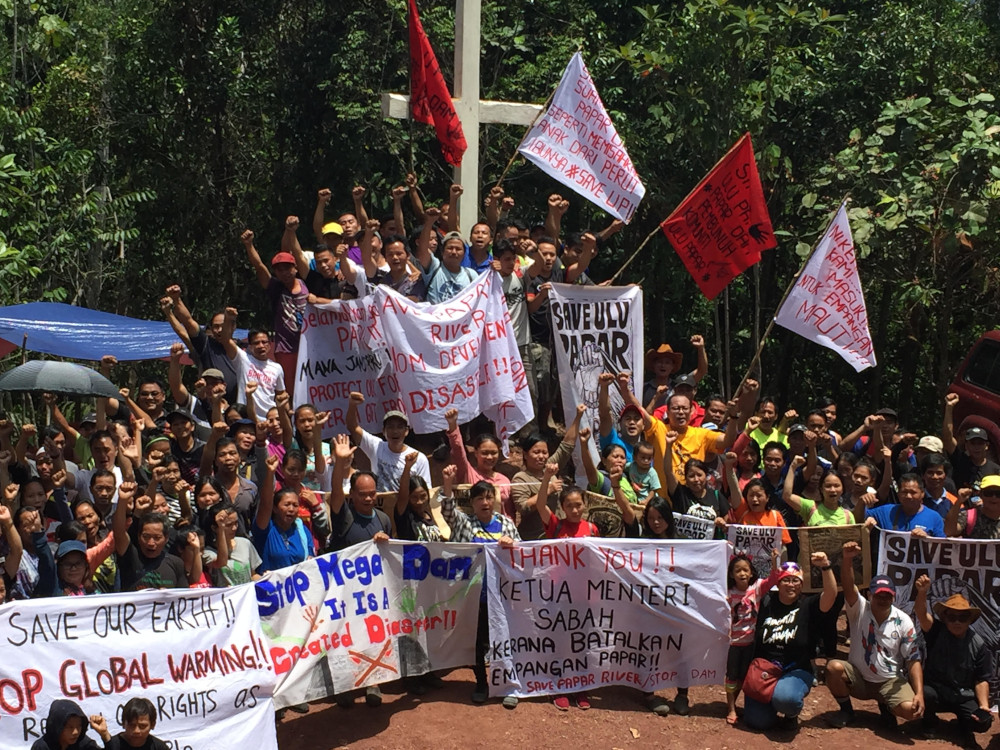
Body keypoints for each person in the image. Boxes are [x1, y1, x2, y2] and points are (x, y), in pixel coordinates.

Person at [439, 468, 519, 708]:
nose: (485, 502)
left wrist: (511, 545)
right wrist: (448, 482)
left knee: (504, 639)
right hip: (474, 595)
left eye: (488, 497)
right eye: (479, 499)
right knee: (477, 641)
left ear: (495, 500)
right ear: (472, 503)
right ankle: (482, 683)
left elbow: (523, 556)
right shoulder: (465, 524)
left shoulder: (507, 524)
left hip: (502, 595)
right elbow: (447, 511)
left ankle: (508, 684)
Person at [825, 542, 924, 729]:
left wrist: (918, 693)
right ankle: (846, 710)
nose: (883, 598)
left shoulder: (903, 621)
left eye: (887, 595)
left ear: (893, 596)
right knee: (833, 668)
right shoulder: (859, 609)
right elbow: (848, 585)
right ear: (869, 595)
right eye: (878, 594)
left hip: (889, 680)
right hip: (859, 678)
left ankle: (886, 706)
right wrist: (847, 560)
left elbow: (913, 660)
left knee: (912, 711)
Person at [742, 551, 838, 730]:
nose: (791, 584)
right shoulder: (766, 602)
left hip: (796, 669)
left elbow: (831, 595)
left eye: (795, 581)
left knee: (786, 700)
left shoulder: (809, 605)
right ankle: (770, 700)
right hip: (765, 669)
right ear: (778, 583)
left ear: (801, 585)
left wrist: (826, 566)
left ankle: (790, 712)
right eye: (786, 580)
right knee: (757, 722)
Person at [913, 577, 993, 745]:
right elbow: (921, 614)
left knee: (983, 722)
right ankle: (929, 721)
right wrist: (922, 593)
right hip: (936, 691)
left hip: (963, 695)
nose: (957, 621)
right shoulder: (936, 631)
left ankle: (964, 726)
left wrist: (984, 706)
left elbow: (981, 679)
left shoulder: (979, 645)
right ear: (945, 618)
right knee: (924, 694)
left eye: (962, 617)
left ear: (969, 619)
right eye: (952, 617)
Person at [242, 228, 309, 396]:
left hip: (310, 345)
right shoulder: (275, 288)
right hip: (287, 349)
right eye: (280, 269)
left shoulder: (308, 283)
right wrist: (249, 245)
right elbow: (259, 266)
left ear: (295, 268)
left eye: (288, 268)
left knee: (313, 385)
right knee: (290, 390)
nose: (284, 272)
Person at [160, 286, 243, 404]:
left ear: (233, 326)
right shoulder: (206, 345)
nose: (219, 330)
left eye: (223, 325)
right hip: (210, 406)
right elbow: (187, 324)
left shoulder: (244, 350)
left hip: (239, 410)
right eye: (215, 326)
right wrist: (176, 299)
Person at [726, 549, 782, 725]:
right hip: (732, 644)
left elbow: (774, 578)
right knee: (731, 676)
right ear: (731, 574)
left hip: (750, 643)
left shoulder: (757, 588)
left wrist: (774, 561)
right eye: (737, 570)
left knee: (743, 676)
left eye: (745, 570)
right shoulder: (727, 592)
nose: (742, 573)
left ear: (751, 573)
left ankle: (736, 703)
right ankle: (731, 708)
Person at [112, 482, 190, 590]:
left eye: (157, 538)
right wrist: (122, 500)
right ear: (139, 537)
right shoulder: (130, 556)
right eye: (146, 537)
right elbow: (119, 532)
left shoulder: (176, 563)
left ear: (166, 538)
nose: (150, 543)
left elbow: (183, 599)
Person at [348, 392, 430, 491]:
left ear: (406, 431)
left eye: (400, 427)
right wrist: (352, 405)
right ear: (383, 431)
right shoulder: (376, 446)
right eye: (390, 427)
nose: (395, 431)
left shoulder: (419, 458)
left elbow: (425, 490)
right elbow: (353, 427)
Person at [445, 409, 512, 517]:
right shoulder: (468, 473)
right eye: (485, 453)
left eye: (493, 453)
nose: (490, 457)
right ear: (476, 453)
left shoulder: (504, 480)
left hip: (500, 531)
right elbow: (458, 452)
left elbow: (509, 513)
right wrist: (453, 425)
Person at [252, 454, 311, 573]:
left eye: (295, 505)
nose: (291, 509)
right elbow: (265, 503)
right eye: (287, 504)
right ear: (275, 508)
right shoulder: (266, 529)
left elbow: (310, 557)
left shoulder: (302, 530)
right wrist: (270, 473)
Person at [856, 473, 945, 537]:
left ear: (922, 494)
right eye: (904, 492)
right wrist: (861, 503)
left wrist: (927, 539)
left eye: (913, 492)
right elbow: (857, 521)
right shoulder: (887, 511)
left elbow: (941, 548)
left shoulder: (934, 517)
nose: (908, 496)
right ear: (898, 494)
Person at [942, 393, 1000, 490]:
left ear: (987, 446)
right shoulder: (960, 460)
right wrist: (949, 407)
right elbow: (947, 438)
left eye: (980, 443)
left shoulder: (995, 470)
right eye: (973, 443)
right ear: (967, 446)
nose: (977, 447)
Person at [237, 329, 286, 421]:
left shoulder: (277, 368)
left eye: (264, 342)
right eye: (256, 343)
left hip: (270, 419)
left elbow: (281, 394)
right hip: (246, 417)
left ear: (270, 344)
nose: (261, 346)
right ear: (250, 346)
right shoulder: (243, 359)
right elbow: (226, 340)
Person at [97, 697, 169, 750]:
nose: (136, 731)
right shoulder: (113, 746)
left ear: (152, 725)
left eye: (142, 726)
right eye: (131, 725)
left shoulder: (159, 747)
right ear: (123, 723)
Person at [31, 700, 106, 750]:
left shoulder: (84, 744)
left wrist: (105, 735)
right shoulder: (41, 747)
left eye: (79, 726)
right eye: (70, 727)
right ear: (58, 727)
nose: (76, 732)